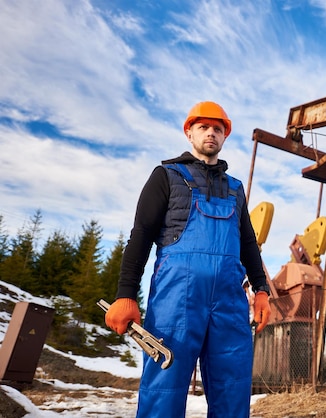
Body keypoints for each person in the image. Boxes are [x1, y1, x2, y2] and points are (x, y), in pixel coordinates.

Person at [104, 101, 271, 417]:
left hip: (230, 303)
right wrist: (125, 294)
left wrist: (262, 289)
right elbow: (140, 234)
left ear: (224, 137)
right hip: (176, 300)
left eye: (218, 129)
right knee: (164, 387)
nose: (211, 133)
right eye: (204, 127)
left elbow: (248, 244)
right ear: (189, 132)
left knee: (233, 388)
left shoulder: (235, 189)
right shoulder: (166, 176)